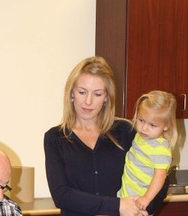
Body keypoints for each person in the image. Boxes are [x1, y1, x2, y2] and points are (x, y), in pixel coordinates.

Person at [44, 56, 169, 216]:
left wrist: (141, 208)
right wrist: (117, 206)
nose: (88, 101)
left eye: (97, 94)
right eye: (82, 92)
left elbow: (162, 179)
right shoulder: (55, 138)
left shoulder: (126, 131)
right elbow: (61, 195)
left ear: (106, 98)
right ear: (71, 93)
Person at [118, 90, 177, 215]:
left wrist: (147, 198)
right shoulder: (141, 136)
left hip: (138, 201)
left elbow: (160, 176)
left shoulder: (160, 149)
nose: (144, 128)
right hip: (126, 195)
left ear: (166, 126)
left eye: (152, 125)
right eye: (141, 120)